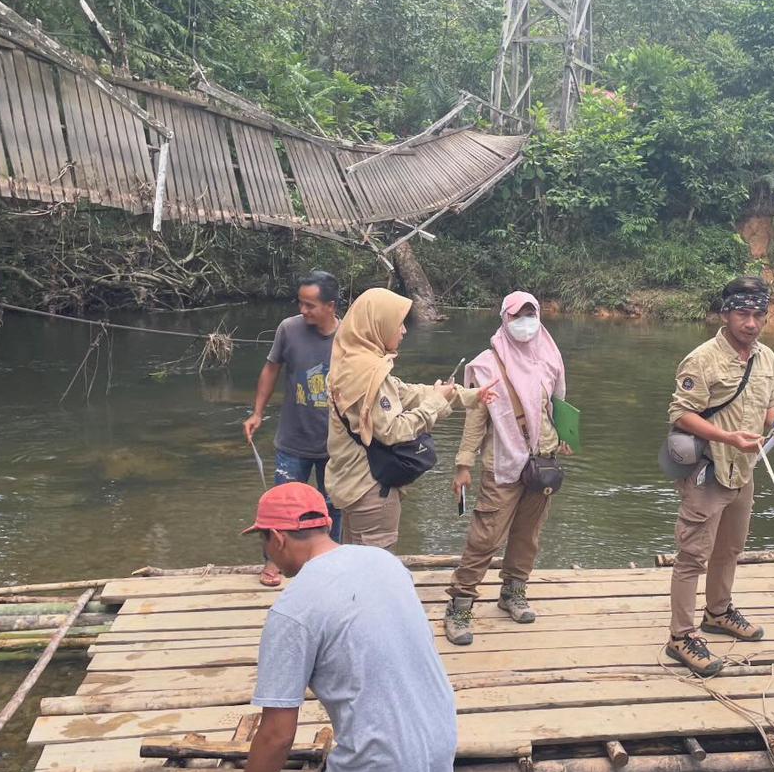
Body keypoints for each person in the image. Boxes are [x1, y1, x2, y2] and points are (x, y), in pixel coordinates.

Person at [224, 482, 457, 772]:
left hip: (377, 769)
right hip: (438, 744)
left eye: (264, 542)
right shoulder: (383, 561)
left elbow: (277, 735)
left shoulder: (293, 609)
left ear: (276, 538)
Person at [663, 276, 774, 677]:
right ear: (725, 314)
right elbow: (679, 413)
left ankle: (718, 613)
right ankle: (680, 637)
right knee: (692, 557)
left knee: (730, 549)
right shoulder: (701, 359)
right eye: (743, 314)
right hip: (709, 469)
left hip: (744, 470)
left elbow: (771, 402)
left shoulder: (766, 357)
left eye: (758, 315)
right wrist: (726, 437)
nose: (751, 323)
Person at [443, 292, 570, 646]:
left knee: (528, 534)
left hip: (542, 462)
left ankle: (513, 592)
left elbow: (556, 405)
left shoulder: (549, 356)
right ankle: (460, 605)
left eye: (530, 315)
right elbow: (475, 421)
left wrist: (564, 435)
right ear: (504, 318)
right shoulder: (487, 365)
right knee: (485, 537)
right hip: (501, 464)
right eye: (517, 316)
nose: (525, 323)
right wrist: (462, 465)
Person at [325, 287, 495, 550]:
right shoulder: (369, 373)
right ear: (378, 323)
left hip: (349, 483)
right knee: (375, 569)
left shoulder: (350, 363)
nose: (403, 330)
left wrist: (468, 395)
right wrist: (436, 403)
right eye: (398, 323)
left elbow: (405, 392)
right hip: (370, 487)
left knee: (354, 562)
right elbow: (393, 431)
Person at [244, 272, 342, 587]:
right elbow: (271, 368)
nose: (303, 310)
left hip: (335, 444)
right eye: (300, 302)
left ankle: (329, 563)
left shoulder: (349, 337)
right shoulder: (289, 330)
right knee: (281, 505)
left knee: (332, 507)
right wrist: (257, 413)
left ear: (331, 306)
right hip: (293, 438)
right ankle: (273, 562)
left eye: (310, 305)